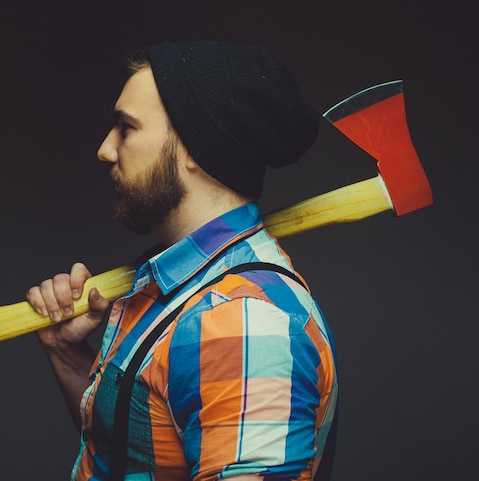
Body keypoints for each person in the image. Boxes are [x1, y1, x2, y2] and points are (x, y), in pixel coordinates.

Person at [26, 41, 338, 481]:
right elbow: (137, 455)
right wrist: (66, 354)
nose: (105, 149)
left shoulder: (241, 322)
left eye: (126, 128)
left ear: (195, 147)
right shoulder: (167, 282)